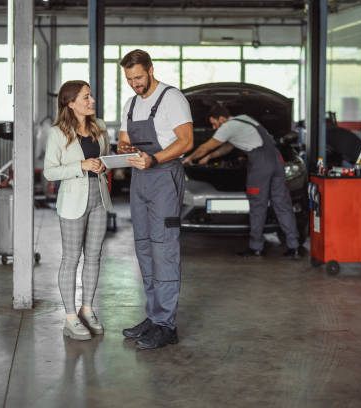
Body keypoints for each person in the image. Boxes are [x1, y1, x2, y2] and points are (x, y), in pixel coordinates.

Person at [117, 49, 193, 350]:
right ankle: (154, 315)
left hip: (164, 177)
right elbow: (124, 139)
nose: (135, 84)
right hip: (140, 178)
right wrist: (124, 150)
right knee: (145, 248)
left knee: (164, 249)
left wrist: (155, 159)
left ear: (150, 70)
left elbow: (186, 141)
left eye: (138, 77)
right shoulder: (131, 103)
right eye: (129, 79)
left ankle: (167, 325)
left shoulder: (172, 98)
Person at [182, 104, 300, 259]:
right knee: (282, 203)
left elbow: (206, 146)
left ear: (222, 118)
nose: (213, 127)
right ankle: (294, 247)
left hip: (260, 163)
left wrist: (189, 159)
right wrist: (210, 157)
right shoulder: (244, 119)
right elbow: (229, 147)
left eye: (214, 123)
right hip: (277, 160)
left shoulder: (228, 126)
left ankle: (256, 248)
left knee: (258, 205)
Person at [44, 80, 113, 341]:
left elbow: (104, 160)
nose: (91, 101)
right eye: (85, 97)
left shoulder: (101, 127)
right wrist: (82, 165)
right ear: (70, 103)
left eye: (91, 96)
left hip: (99, 199)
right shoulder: (58, 133)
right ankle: (70, 317)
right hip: (73, 201)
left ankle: (87, 309)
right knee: (71, 259)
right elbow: (51, 171)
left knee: (94, 257)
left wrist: (103, 166)